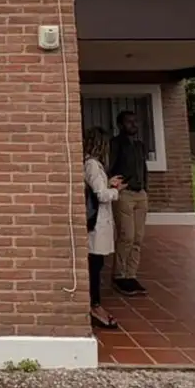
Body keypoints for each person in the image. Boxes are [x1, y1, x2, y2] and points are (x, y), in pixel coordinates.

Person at [83, 126, 125, 329]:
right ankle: (94, 305)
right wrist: (115, 190)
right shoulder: (92, 164)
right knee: (94, 265)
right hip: (97, 223)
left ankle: (95, 303)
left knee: (97, 264)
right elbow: (100, 194)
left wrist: (108, 182)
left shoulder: (92, 165)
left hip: (99, 223)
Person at [108, 110, 149, 296]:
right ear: (120, 125)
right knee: (127, 235)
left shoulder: (140, 145)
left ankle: (131, 274)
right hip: (125, 193)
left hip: (140, 193)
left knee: (138, 237)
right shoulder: (116, 144)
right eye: (129, 122)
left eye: (135, 121)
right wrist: (115, 185)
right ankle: (120, 275)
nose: (133, 124)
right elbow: (109, 167)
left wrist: (145, 188)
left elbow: (144, 168)